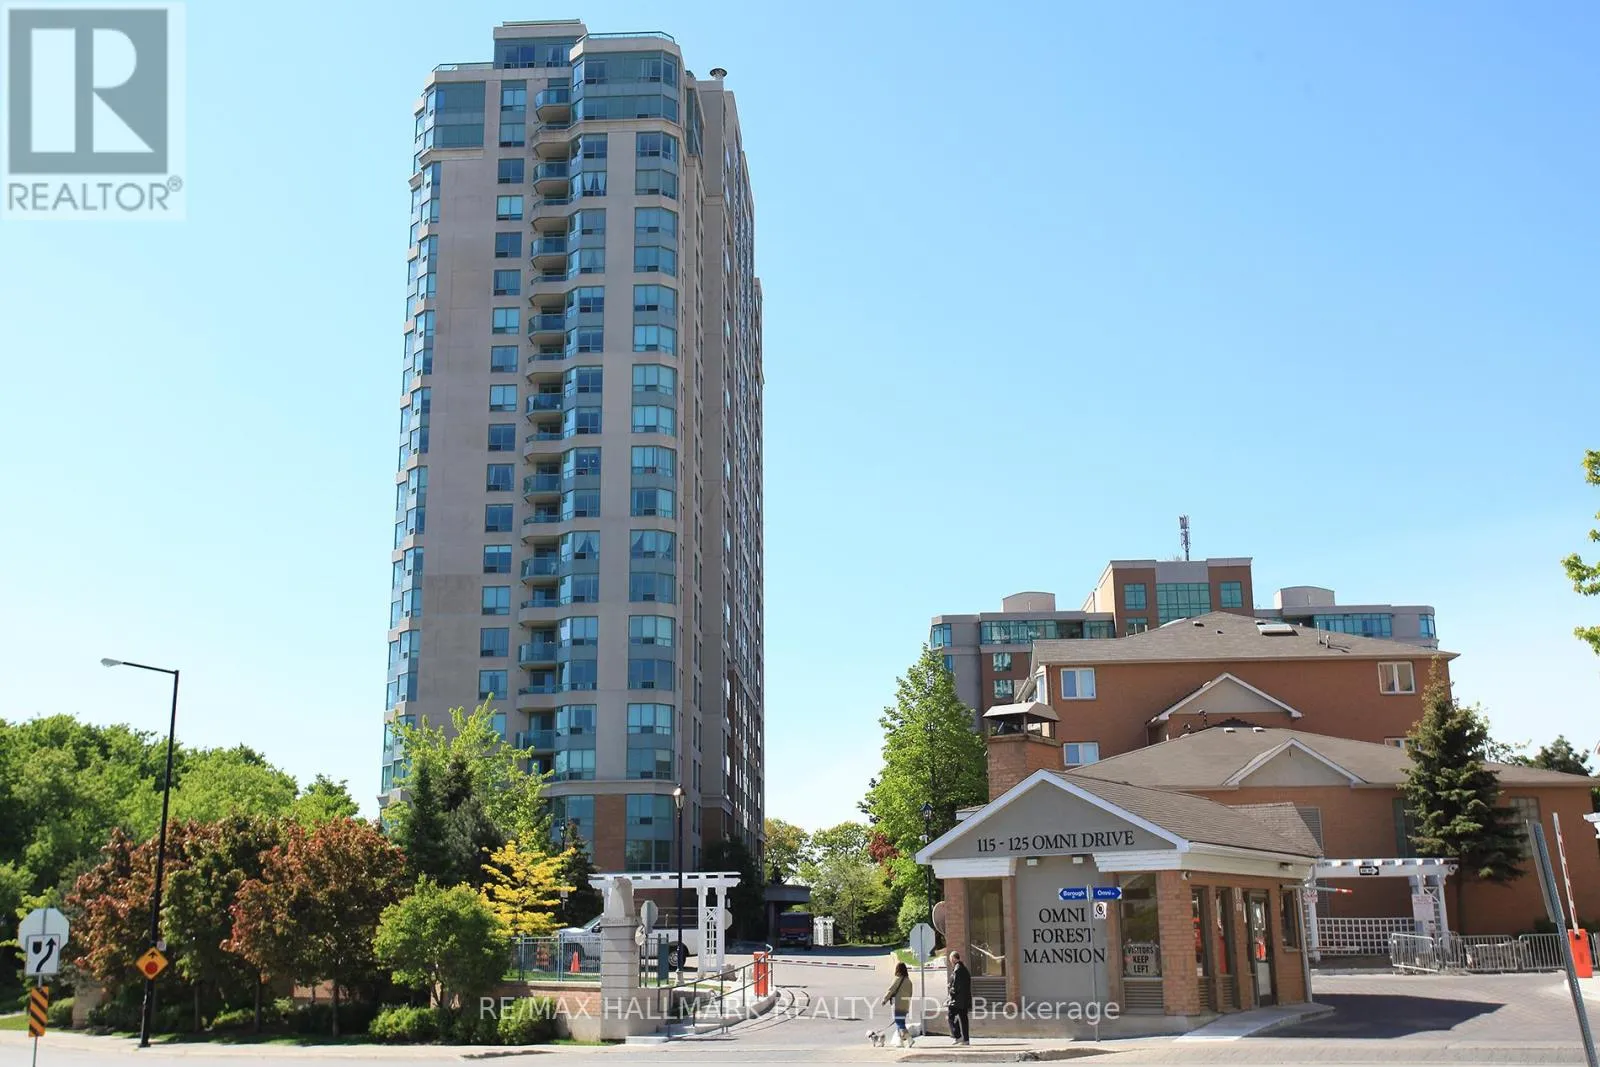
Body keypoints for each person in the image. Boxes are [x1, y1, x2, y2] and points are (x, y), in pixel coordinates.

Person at [880, 961, 912, 1046]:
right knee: (900, 1022)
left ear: (898, 969)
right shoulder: (909, 981)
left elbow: (891, 990)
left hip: (897, 1005)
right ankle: (900, 1042)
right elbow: (910, 994)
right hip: (905, 1006)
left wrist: (885, 1000)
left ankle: (909, 1039)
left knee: (899, 1023)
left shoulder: (897, 979)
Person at [947, 951, 972, 1045]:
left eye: (950, 959)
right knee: (963, 1019)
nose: (950, 961)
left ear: (953, 958)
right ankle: (966, 1039)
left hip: (957, 999)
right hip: (964, 999)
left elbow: (956, 986)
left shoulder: (958, 970)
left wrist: (950, 991)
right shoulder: (964, 969)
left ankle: (958, 1036)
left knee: (951, 1016)